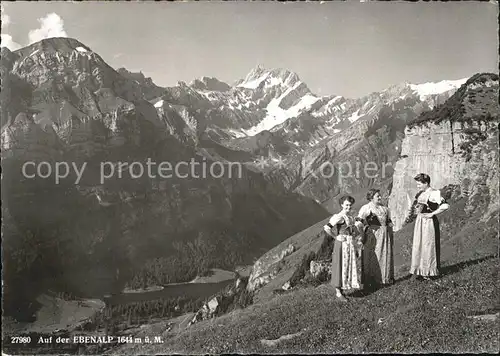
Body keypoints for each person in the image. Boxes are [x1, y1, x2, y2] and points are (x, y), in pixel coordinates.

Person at [405, 173, 449, 280]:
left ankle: (429, 272)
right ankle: (420, 271)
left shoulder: (434, 193)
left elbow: (445, 205)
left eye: (419, 184)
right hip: (420, 221)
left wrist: (432, 214)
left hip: (428, 223)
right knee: (419, 245)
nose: (418, 186)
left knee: (428, 245)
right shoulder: (422, 193)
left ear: (426, 183)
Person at [324, 195, 364, 301]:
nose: (348, 207)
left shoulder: (350, 217)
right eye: (346, 205)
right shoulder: (339, 216)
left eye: (350, 205)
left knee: (347, 265)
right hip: (342, 244)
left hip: (350, 243)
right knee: (339, 264)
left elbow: (352, 230)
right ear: (342, 205)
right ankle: (338, 292)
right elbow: (327, 228)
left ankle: (344, 288)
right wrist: (336, 237)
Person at [358, 189, 394, 288]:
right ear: (371, 197)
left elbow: (389, 222)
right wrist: (363, 233)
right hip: (372, 235)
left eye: (380, 195)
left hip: (385, 235)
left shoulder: (385, 209)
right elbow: (358, 221)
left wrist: (390, 232)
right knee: (373, 257)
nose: (380, 197)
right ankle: (371, 282)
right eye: (377, 196)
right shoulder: (366, 208)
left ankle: (384, 279)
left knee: (384, 255)